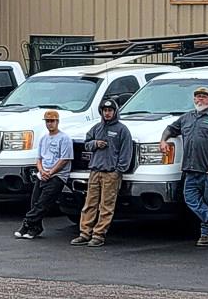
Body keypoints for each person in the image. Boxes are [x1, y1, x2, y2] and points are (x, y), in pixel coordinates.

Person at [161, 86, 208, 247]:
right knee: (191, 200)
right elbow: (170, 129)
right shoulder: (186, 118)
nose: (200, 99)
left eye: (203, 97)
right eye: (197, 97)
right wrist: (163, 140)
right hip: (190, 171)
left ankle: (206, 235)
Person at [72, 99, 133, 247]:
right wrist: (95, 144)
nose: (107, 113)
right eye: (105, 111)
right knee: (89, 204)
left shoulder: (122, 130)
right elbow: (86, 143)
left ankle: (99, 235)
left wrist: (118, 170)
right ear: (101, 112)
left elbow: (126, 152)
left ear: (115, 112)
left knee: (106, 206)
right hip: (95, 171)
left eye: (110, 110)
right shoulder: (96, 128)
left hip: (111, 173)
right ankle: (84, 233)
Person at [16, 109, 72, 239]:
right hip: (43, 174)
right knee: (35, 201)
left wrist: (51, 172)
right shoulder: (43, 139)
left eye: (52, 121)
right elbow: (39, 158)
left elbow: (65, 159)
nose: (49, 124)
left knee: (43, 202)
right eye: (47, 121)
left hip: (57, 176)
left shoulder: (64, 139)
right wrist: (41, 171)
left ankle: (26, 222)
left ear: (57, 122)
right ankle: (36, 227)